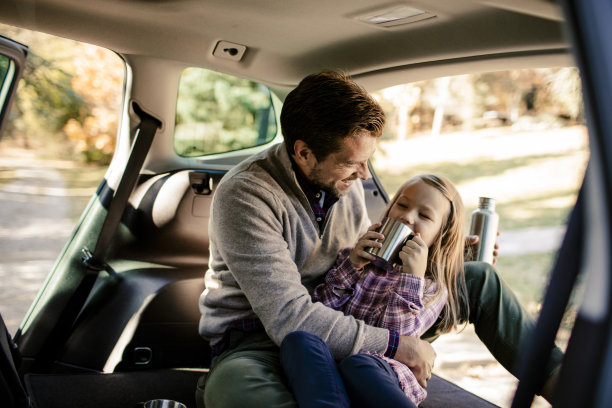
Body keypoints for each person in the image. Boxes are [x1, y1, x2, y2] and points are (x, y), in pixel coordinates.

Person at [196, 70, 563, 408]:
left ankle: (569, 386)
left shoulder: (346, 178)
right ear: (304, 153)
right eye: (352, 163)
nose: (364, 174)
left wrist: (450, 251)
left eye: (368, 160)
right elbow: (289, 317)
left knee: (478, 278)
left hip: (352, 311)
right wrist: (397, 346)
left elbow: (379, 261)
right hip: (264, 338)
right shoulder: (246, 196)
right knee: (232, 390)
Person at [280, 173, 467, 408]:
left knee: (360, 364)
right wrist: (352, 265)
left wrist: (411, 278)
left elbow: (400, 342)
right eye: (402, 205)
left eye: (424, 215)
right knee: (299, 340)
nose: (407, 217)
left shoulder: (430, 288)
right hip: (336, 363)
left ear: (441, 236)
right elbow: (320, 313)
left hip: (382, 373)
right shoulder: (353, 261)